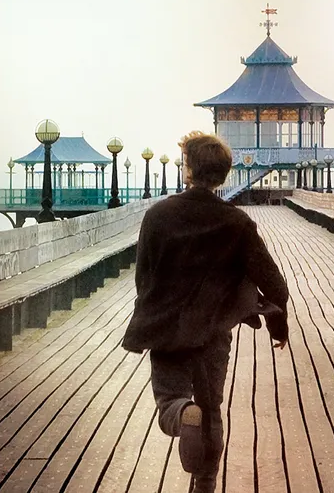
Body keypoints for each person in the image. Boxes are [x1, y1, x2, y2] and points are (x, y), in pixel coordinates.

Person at [121, 131, 289, 493]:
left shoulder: (158, 216)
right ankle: (205, 484)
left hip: (167, 332)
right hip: (213, 333)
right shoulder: (237, 223)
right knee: (211, 409)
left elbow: (143, 277)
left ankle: (183, 413)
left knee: (170, 400)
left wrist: (154, 313)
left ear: (188, 170)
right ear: (224, 175)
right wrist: (278, 326)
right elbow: (274, 282)